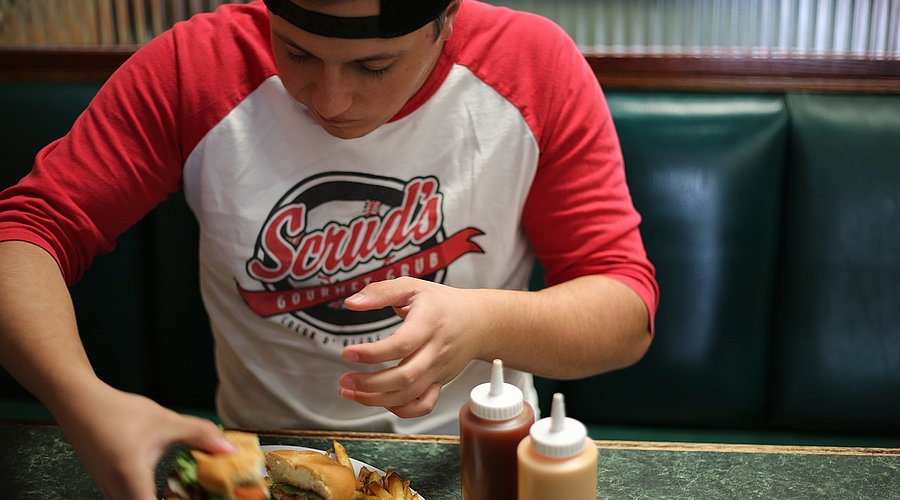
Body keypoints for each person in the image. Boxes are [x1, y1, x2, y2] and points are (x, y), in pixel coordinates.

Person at [0, 0, 658, 498]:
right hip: (267, 461)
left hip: (476, 459)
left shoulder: (533, 66)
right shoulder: (196, 66)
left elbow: (624, 312)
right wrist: (84, 404)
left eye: (375, 66)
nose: (330, 100)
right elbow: (26, 229)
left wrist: (483, 322)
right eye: (297, 53)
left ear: (446, 19)